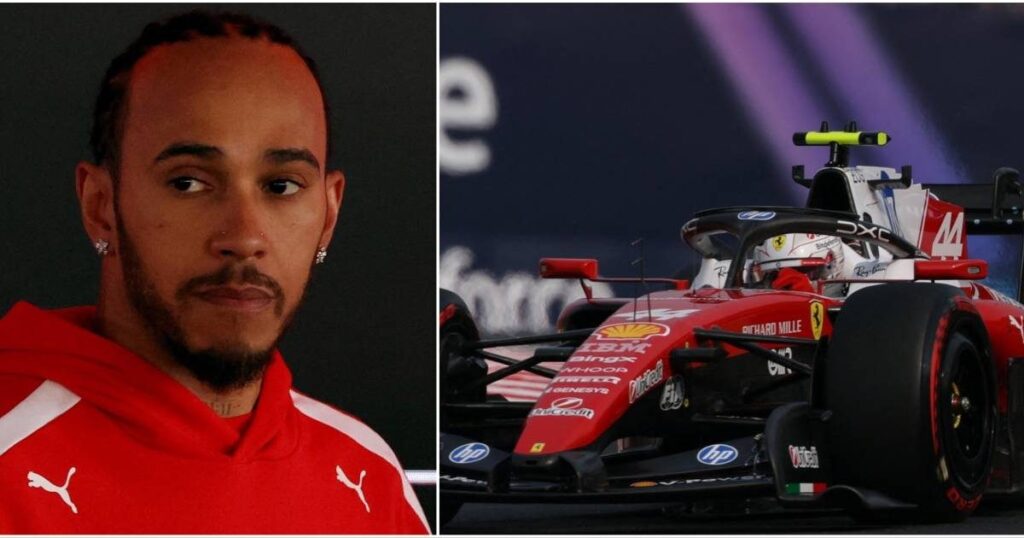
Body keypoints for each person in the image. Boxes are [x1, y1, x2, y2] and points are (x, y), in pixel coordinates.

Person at [0, 10, 429, 533]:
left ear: (329, 216)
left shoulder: (371, 476)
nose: (244, 237)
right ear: (101, 206)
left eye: (282, 186)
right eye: (189, 183)